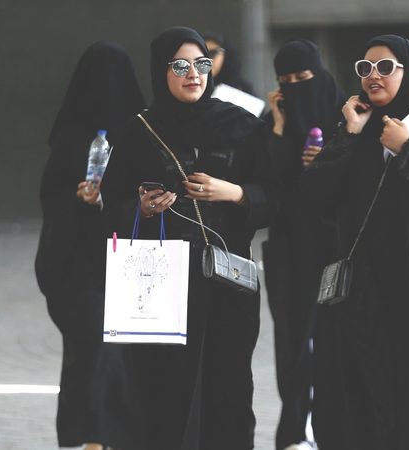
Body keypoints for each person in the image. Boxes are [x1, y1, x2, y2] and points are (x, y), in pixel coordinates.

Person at [100, 27, 277, 449]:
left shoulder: (241, 125)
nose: (193, 74)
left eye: (200, 64)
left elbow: (277, 195)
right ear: (161, 71)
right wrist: (142, 209)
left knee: (228, 384)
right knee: (161, 387)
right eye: (179, 66)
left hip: (226, 280)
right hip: (162, 282)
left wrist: (233, 193)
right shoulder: (138, 131)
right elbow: (111, 203)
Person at [300, 35, 409, 450]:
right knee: (362, 392)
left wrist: (406, 149)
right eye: (365, 68)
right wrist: (347, 132)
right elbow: (314, 196)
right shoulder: (356, 129)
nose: (372, 76)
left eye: (384, 67)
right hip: (364, 291)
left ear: (408, 71)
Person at [35, 41, 145, 450]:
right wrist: (84, 200)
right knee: (97, 351)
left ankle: (101, 436)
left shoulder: (141, 134)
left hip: (120, 264)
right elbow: (54, 199)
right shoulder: (73, 140)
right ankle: (93, 438)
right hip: (84, 269)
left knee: (103, 356)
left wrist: (103, 202)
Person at [262, 39, 347, 450]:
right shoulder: (273, 121)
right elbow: (268, 186)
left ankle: (332, 428)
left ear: (320, 75)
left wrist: (327, 162)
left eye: (303, 78)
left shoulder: (346, 117)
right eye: (286, 81)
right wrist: (278, 129)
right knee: (293, 342)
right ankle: (294, 432)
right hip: (289, 250)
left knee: (335, 342)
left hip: (336, 248)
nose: (295, 87)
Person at [203, 31, 256, 96]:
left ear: (227, 55)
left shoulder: (244, 91)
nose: (207, 59)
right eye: (203, 54)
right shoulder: (194, 89)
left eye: (213, 53)